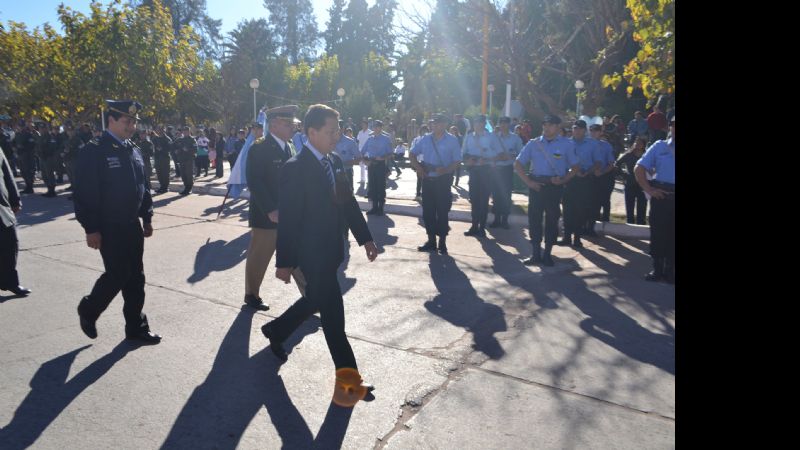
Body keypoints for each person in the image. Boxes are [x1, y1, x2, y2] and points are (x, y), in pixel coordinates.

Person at [261, 104, 378, 404]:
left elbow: (347, 203)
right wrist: (285, 263)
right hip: (311, 255)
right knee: (334, 319)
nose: (336, 137)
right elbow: (289, 219)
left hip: (332, 250)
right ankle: (349, 383)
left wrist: (365, 238)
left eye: (337, 131)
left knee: (314, 300)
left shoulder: (334, 161)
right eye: (330, 132)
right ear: (311, 132)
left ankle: (276, 330)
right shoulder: (295, 168)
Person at [73, 100, 160, 344]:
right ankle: (89, 309)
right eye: (127, 121)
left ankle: (136, 327)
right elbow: (85, 193)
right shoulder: (94, 150)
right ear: (111, 120)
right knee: (118, 274)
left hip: (132, 224)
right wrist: (91, 228)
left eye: (134, 122)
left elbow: (143, 186)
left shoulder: (133, 149)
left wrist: (147, 217)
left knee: (136, 278)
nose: (132, 126)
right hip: (108, 226)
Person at [243, 107, 306, 311]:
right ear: (273, 125)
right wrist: (270, 209)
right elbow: (255, 181)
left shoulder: (290, 146)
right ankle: (251, 294)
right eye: (288, 124)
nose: (292, 128)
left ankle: (311, 298)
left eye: (292, 124)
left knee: (297, 255)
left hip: (289, 213)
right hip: (267, 216)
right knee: (259, 257)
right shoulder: (259, 148)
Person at [514, 114, 579, 266]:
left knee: (552, 220)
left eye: (550, 125)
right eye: (544, 124)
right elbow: (518, 164)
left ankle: (548, 254)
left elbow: (575, 167)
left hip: (554, 188)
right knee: (534, 219)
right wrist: (529, 182)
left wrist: (563, 180)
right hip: (536, 186)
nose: (546, 127)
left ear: (557, 127)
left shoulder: (566, 144)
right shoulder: (533, 143)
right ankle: (535, 253)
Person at [409, 114, 462, 254]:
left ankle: (442, 242)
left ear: (445, 124)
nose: (435, 125)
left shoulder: (452, 140)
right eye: (434, 123)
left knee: (442, 212)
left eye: (438, 123)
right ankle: (431, 241)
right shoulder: (425, 139)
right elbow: (412, 154)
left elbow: (457, 160)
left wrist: (446, 169)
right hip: (428, 180)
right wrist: (419, 168)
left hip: (443, 181)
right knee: (428, 212)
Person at [635, 116, 675, 284]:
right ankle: (657, 269)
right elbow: (639, 168)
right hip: (661, 196)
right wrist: (649, 189)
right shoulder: (659, 146)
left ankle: (671, 271)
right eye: (673, 124)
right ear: (669, 127)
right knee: (658, 234)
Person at [557, 119, 599, 248]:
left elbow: (598, 162)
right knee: (567, 209)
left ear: (585, 130)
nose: (577, 131)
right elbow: (559, 159)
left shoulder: (592, 144)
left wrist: (587, 172)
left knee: (580, 209)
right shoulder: (566, 143)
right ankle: (566, 237)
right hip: (569, 179)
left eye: (580, 128)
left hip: (585, 180)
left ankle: (577, 238)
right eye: (575, 128)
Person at [462, 115, 501, 237]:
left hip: (486, 171)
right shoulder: (469, 137)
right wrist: (468, 159)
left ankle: (482, 228)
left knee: (483, 200)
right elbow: (463, 153)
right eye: (476, 123)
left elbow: (500, 154)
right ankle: (474, 226)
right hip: (474, 170)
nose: (478, 125)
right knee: (474, 200)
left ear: (484, 124)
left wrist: (487, 159)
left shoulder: (491, 137)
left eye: (480, 123)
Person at [1, 147, 31, 296]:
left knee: (10, 243)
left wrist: (15, 199)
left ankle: (10, 282)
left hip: (2, 207)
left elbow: (7, 173)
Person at [490, 116, 524, 229]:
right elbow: (488, 151)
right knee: (496, 195)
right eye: (501, 123)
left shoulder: (515, 138)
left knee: (506, 195)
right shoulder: (494, 137)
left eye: (505, 123)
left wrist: (510, 156)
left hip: (507, 169)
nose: (503, 125)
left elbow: (521, 153)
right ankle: (496, 219)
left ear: (509, 124)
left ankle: (505, 220)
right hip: (495, 170)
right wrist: (496, 157)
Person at [362, 120, 393, 215]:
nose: (376, 128)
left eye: (378, 126)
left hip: (380, 164)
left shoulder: (386, 139)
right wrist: (365, 161)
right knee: (372, 186)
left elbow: (390, 153)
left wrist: (383, 157)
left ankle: (380, 208)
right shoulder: (369, 139)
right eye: (374, 126)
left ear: (381, 128)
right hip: (371, 165)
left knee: (380, 186)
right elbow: (362, 151)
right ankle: (374, 207)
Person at [615, 137, 648, 224]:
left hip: (643, 184)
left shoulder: (647, 155)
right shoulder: (628, 155)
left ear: (644, 145)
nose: (637, 144)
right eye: (636, 142)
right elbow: (617, 164)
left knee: (642, 207)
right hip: (630, 183)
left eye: (640, 143)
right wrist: (623, 175)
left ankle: (641, 224)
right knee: (629, 206)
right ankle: (630, 223)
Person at [589, 123, 616, 229]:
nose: (593, 132)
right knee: (591, 201)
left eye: (596, 130)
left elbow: (611, 163)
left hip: (604, 176)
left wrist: (602, 172)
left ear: (600, 132)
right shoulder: (585, 144)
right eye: (591, 130)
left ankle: (605, 222)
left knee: (604, 200)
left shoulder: (606, 145)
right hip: (589, 176)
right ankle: (591, 223)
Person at [175, 126, 197, 195]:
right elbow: (173, 146)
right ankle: (186, 187)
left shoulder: (192, 139)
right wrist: (177, 151)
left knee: (189, 174)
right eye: (184, 131)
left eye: (186, 131)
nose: (185, 132)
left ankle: (189, 188)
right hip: (182, 159)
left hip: (189, 159)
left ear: (189, 132)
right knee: (183, 174)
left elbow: (195, 149)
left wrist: (188, 150)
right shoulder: (180, 139)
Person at [152, 128, 172, 193]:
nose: (160, 132)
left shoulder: (167, 139)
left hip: (164, 158)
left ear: (164, 131)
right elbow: (152, 145)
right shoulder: (156, 139)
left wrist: (162, 149)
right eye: (159, 130)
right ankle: (162, 186)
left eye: (161, 131)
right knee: (159, 173)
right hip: (157, 158)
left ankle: (165, 187)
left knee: (165, 174)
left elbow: (170, 148)